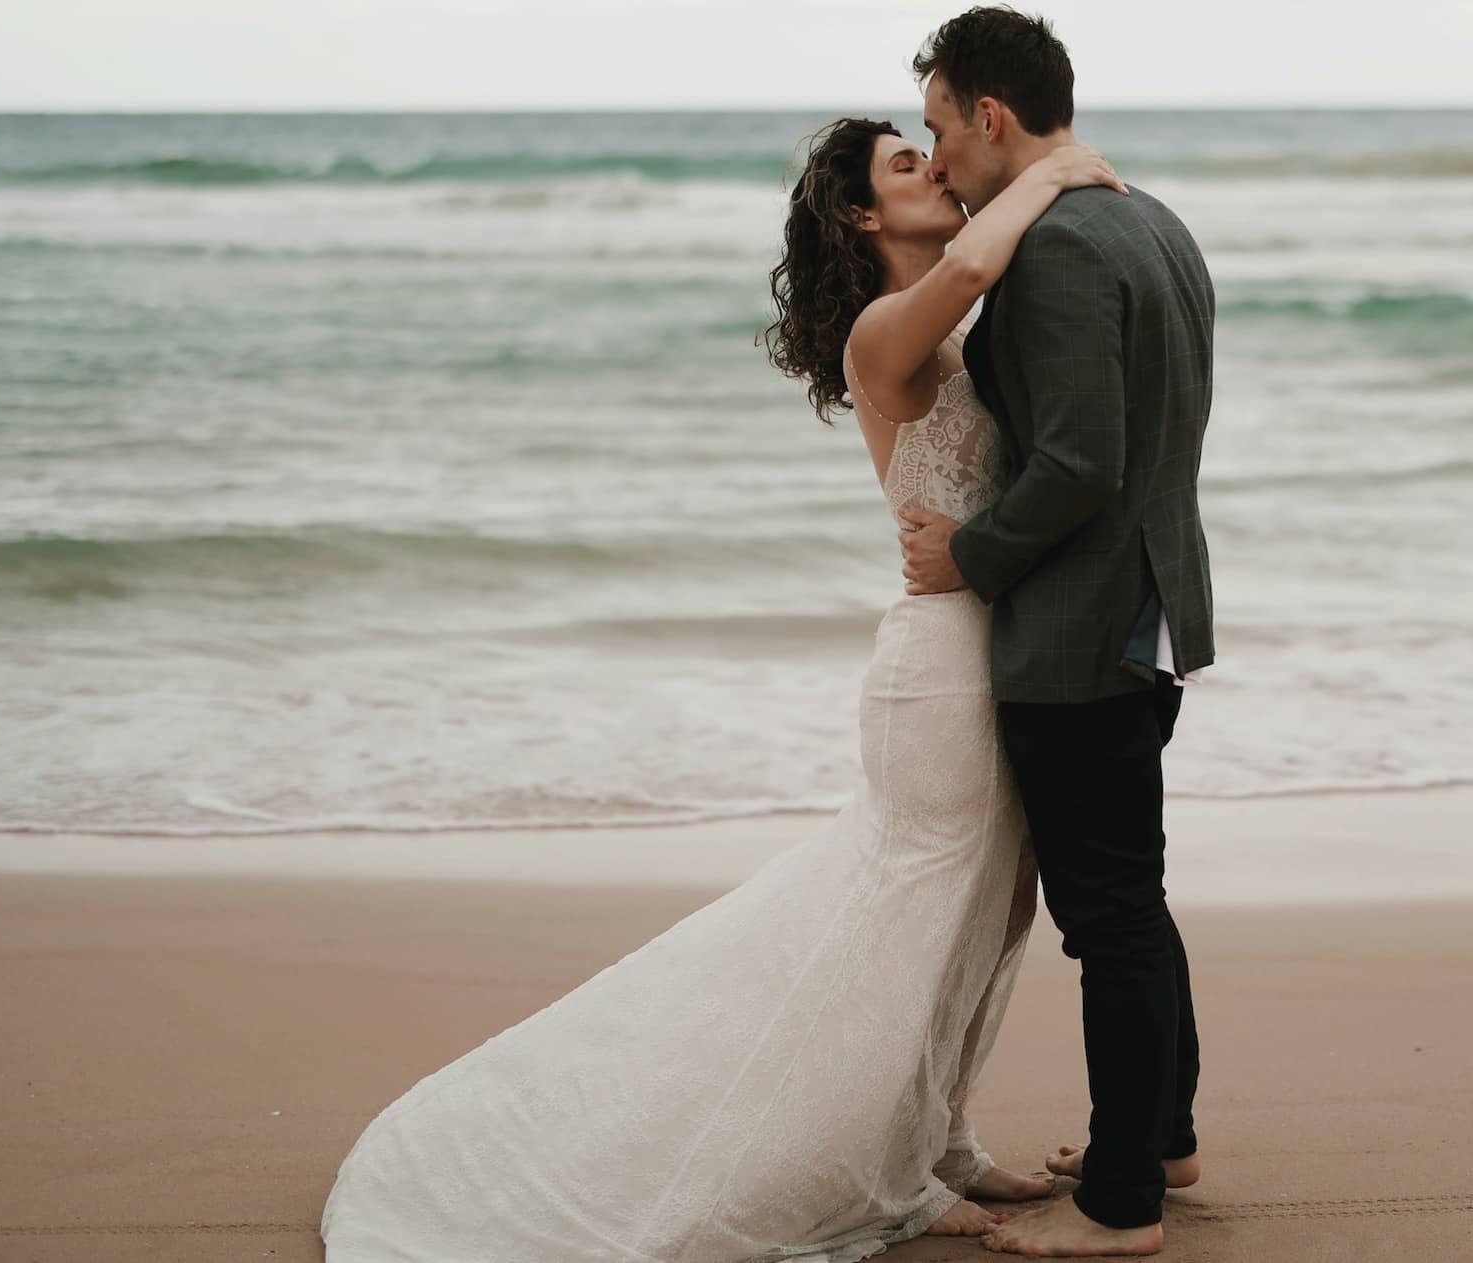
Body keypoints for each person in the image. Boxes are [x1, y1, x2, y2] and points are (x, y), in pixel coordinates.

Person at [316, 117, 1129, 1261]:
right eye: (907, 166)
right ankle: (890, 1170)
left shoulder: (966, 336)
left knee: (993, 912)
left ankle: (943, 1139)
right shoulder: (883, 331)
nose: (936, 172)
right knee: (921, 918)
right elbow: (973, 263)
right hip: (937, 669)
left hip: (999, 648)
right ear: (858, 214)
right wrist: (1050, 167)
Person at [895, 6, 1218, 1257]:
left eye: (939, 130)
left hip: (1083, 632)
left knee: (1111, 919)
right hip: (1152, 609)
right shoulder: (1155, 219)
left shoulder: (1059, 249)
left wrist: (969, 552)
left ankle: (1124, 1202)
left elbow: (1081, 459)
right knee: (1136, 899)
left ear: (991, 116)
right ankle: (1165, 1137)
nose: (938, 160)